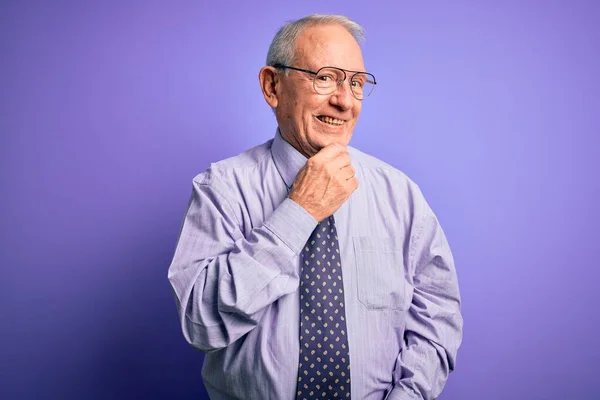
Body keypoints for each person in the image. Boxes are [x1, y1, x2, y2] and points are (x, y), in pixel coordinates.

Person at [168, 14, 463, 400]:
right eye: (325, 77)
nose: (343, 101)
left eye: (356, 83)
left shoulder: (400, 195)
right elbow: (201, 323)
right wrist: (299, 212)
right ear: (272, 86)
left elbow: (436, 321)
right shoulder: (221, 188)